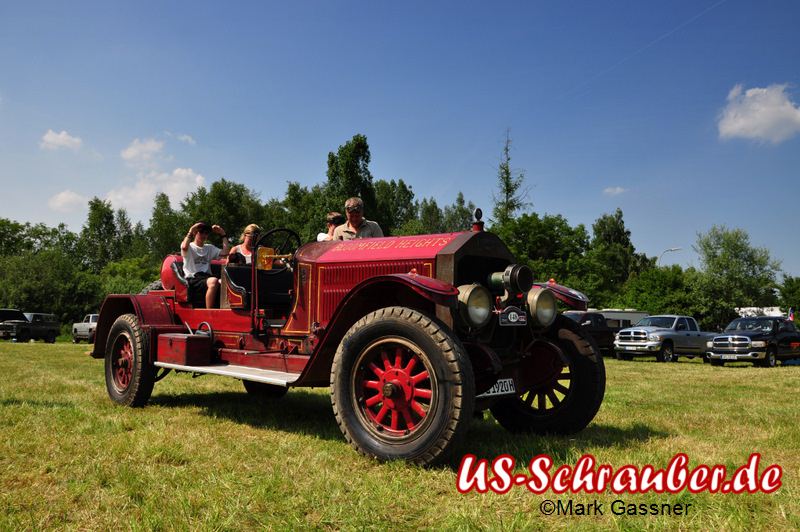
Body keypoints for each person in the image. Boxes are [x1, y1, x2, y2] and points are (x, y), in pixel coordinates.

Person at [181, 221, 230, 308]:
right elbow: (184, 247)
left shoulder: (209, 248)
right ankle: (208, 312)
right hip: (193, 278)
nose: (204, 235)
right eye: (201, 232)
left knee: (224, 282)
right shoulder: (190, 246)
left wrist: (223, 234)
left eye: (206, 233)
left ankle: (223, 309)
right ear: (195, 232)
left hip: (206, 278)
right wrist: (191, 230)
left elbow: (225, 253)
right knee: (214, 281)